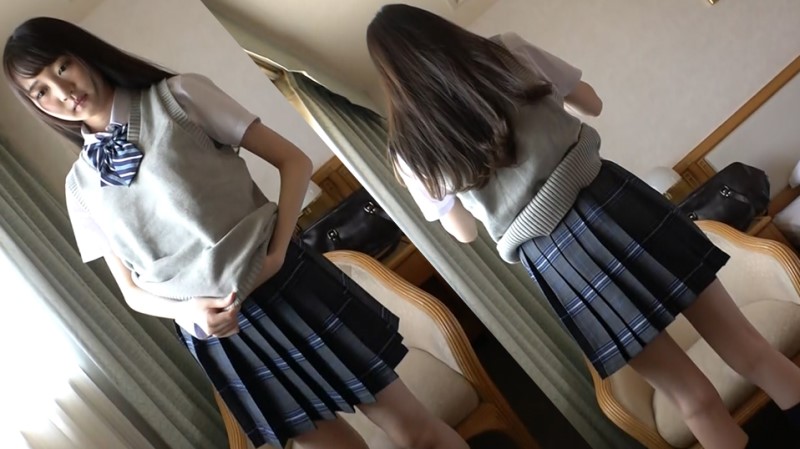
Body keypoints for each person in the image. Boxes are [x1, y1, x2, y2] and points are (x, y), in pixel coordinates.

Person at [3, 17, 470, 449]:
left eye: (62, 67)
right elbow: (131, 290)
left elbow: (293, 161)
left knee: (415, 432)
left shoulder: (178, 96)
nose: (62, 91)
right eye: (40, 91)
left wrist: (278, 252)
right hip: (221, 335)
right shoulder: (80, 188)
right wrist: (187, 313)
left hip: (289, 286)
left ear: (83, 54)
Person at [366, 4, 800, 449]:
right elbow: (591, 103)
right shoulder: (506, 51)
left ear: (390, 77)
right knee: (748, 348)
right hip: (617, 204)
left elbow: (464, 233)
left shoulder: (408, 152)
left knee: (692, 399)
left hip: (559, 261)